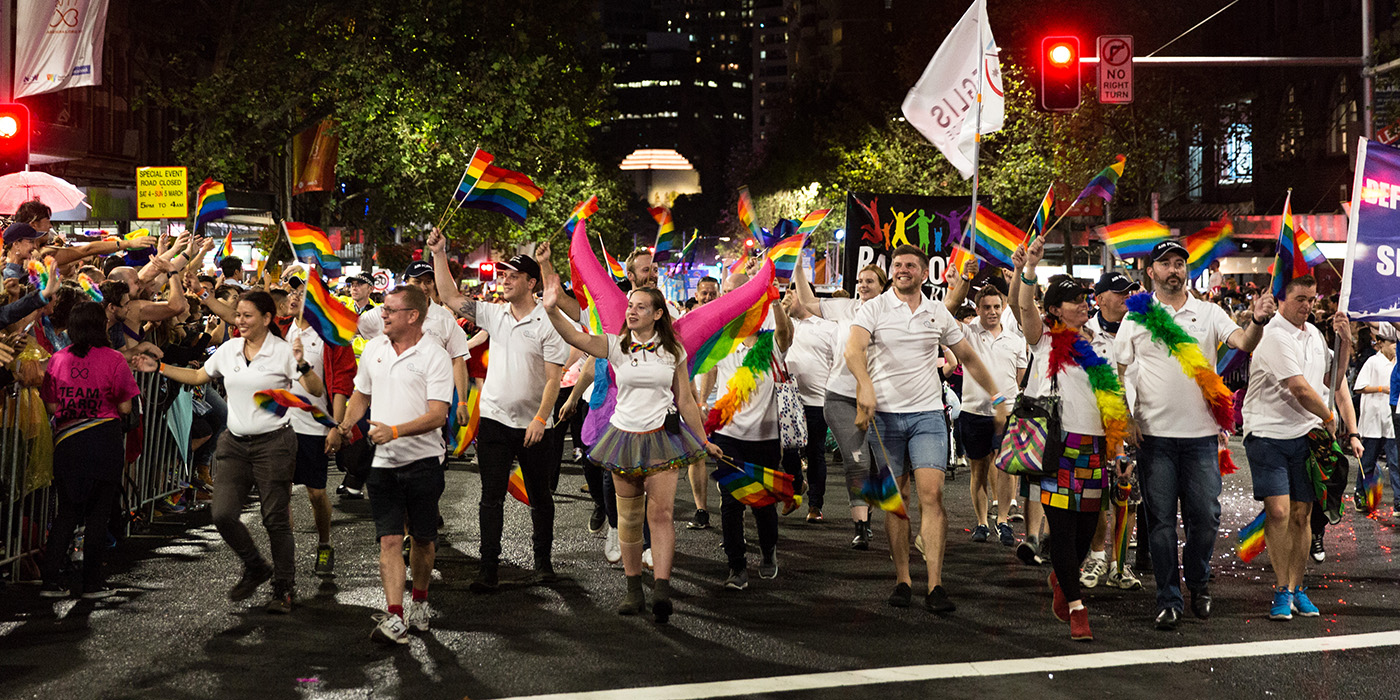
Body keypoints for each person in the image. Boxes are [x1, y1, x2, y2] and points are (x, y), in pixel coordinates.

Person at [1115, 239, 1274, 630]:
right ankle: (1168, 598)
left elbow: (1243, 343)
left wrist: (1256, 320)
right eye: (1165, 264)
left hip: (1202, 436)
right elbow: (1118, 370)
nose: (1174, 269)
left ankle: (1199, 583)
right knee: (1162, 523)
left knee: (1205, 517)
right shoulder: (1136, 317)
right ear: (1151, 271)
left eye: (1179, 264)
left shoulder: (1209, 312)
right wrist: (1125, 420)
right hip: (1154, 437)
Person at [132, 291, 325, 613]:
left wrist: (302, 363)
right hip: (234, 444)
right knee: (222, 513)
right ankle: (255, 566)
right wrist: (160, 367)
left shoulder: (283, 351)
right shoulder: (230, 349)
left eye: (248, 316)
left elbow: (317, 390)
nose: (240, 321)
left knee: (275, 519)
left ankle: (284, 586)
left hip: (274, 444)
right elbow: (197, 376)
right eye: (238, 315)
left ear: (266, 318)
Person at [542, 280, 719, 621]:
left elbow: (684, 400)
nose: (632, 311)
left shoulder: (674, 350)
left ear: (657, 314)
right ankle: (634, 588)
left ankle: (663, 590)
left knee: (662, 515)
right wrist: (552, 309)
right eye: (630, 306)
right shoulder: (615, 345)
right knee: (629, 520)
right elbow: (575, 338)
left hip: (662, 441)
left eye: (640, 306)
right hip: (622, 439)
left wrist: (703, 440)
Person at [846, 244, 1009, 612]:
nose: (903, 270)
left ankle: (935, 584)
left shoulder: (937, 312)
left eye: (910, 266)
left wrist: (997, 397)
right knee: (897, 501)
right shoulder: (873, 308)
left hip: (928, 416)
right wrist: (865, 386)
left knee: (932, 495)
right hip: (884, 418)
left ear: (924, 273)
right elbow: (854, 350)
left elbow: (967, 356)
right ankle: (903, 579)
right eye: (898, 265)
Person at [427, 233, 568, 589]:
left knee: (540, 497)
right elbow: (449, 296)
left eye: (512, 275)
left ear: (531, 282)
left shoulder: (548, 322)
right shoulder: (494, 313)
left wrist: (540, 418)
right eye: (502, 275)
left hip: (536, 426)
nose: (503, 279)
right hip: (494, 421)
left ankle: (543, 562)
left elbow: (555, 379)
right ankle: (488, 567)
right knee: (490, 497)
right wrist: (439, 253)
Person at [1015, 239, 1131, 641]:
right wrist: (1030, 269)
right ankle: (1078, 607)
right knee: (1063, 530)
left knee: (1085, 532)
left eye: (1086, 299)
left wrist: (1119, 447)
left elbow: (1114, 400)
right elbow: (1025, 306)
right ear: (1054, 311)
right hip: (1058, 446)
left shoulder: (1102, 340)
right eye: (1075, 300)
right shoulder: (1043, 338)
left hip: (1096, 447)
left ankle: (1063, 579)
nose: (1085, 305)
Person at [334, 286, 453, 645]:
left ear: (412, 316)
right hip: (383, 464)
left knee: (423, 539)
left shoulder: (435, 355)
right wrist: (343, 427)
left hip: (424, 462)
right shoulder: (373, 350)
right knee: (388, 539)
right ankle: (396, 614)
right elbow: (361, 394)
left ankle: (420, 601)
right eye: (383, 310)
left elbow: (437, 414)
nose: (382, 315)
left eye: (390, 310)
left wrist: (396, 431)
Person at [1241, 276, 1349, 620]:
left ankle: (1297, 588)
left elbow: (1334, 379)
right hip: (1267, 434)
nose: (1308, 305)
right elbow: (1300, 389)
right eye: (1300, 298)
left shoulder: (1314, 335)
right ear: (1281, 301)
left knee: (1303, 516)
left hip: (1304, 435)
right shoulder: (1274, 335)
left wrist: (1345, 342)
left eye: (1312, 299)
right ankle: (1281, 590)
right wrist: (1329, 417)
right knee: (1280, 512)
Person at [38, 301, 141, 599]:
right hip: (103, 440)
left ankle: (50, 581)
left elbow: (52, 404)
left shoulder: (58, 359)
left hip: (68, 441)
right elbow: (124, 406)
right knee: (98, 514)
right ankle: (92, 584)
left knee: (66, 513)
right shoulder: (114, 359)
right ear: (101, 326)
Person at [697, 272, 793, 590]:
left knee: (763, 504)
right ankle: (736, 566)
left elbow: (785, 332)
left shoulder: (770, 343)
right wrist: (700, 401)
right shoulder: (722, 340)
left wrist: (775, 297)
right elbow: (705, 368)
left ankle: (767, 551)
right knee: (731, 502)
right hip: (728, 435)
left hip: (765, 438)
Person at [793, 260, 888, 549]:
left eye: (870, 281)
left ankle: (869, 513)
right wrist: (797, 263)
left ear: (883, 287)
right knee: (856, 460)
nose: (863, 285)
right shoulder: (846, 307)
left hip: (882, 400)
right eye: (860, 280)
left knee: (878, 466)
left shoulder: (893, 312)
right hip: (840, 396)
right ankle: (860, 526)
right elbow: (808, 300)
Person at [284, 281, 358, 578]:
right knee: (280, 492)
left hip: (313, 427)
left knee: (316, 493)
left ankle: (325, 544)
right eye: (292, 292)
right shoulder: (278, 329)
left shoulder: (332, 337)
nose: (294, 298)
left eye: (301, 294)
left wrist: (336, 427)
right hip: (279, 425)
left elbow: (340, 385)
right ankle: (285, 556)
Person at [949, 269, 1027, 546]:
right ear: (978, 308)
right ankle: (982, 521)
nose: (992, 312)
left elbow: (1018, 379)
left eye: (996, 306)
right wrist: (961, 282)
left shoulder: (1017, 341)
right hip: (973, 412)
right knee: (978, 469)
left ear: (1003, 306)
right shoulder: (967, 333)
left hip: (1007, 414)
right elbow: (946, 314)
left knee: (1005, 469)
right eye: (986, 307)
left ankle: (1003, 520)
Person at [1081, 271, 1144, 590]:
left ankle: (1120, 564)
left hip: (1130, 428)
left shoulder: (1140, 330)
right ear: (1099, 297)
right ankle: (1096, 557)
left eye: (1130, 292)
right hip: (1091, 427)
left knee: (1126, 498)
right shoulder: (1084, 332)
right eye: (1119, 292)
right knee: (1096, 498)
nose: (1126, 298)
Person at [780, 284, 837, 522]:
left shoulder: (828, 328)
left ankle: (815, 506)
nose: (785, 301)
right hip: (788, 400)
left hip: (817, 401)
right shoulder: (781, 326)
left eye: (789, 297)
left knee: (815, 453)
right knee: (788, 451)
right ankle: (796, 484)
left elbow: (838, 363)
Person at [1353, 335, 1396, 514]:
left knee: (1395, 461)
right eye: (1391, 342)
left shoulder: (1397, 363)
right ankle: (1360, 494)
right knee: (1368, 460)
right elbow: (1359, 387)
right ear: (1380, 344)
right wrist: (1381, 388)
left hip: (1391, 418)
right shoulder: (1372, 362)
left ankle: (1399, 500)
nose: (1394, 346)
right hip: (1373, 419)